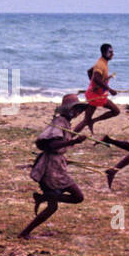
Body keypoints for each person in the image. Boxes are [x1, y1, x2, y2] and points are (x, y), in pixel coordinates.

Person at [20, 95, 87, 239]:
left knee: (56, 205)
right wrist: (72, 142)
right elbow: (51, 145)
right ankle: (26, 231)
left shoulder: (65, 123)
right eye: (75, 109)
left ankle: (27, 228)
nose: (77, 113)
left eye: (79, 110)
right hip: (51, 168)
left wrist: (64, 156)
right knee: (76, 197)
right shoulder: (59, 122)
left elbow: (56, 146)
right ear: (68, 109)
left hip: (56, 165)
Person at [75, 43, 119, 134]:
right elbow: (96, 78)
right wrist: (110, 90)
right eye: (110, 52)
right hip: (96, 96)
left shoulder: (102, 62)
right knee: (116, 111)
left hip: (95, 94)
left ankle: (70, 136)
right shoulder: (100, 64)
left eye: (112, 52)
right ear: (104, 52)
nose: (112, 54)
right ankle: (92, 121)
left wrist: (94, 86)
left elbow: (89, 71)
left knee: (85, 120)